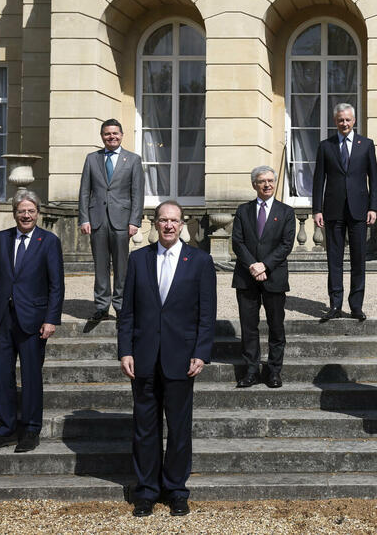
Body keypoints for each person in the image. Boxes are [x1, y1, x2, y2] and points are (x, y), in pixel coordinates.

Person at [118, 200, 216, 518]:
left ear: (182, 223)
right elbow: (127, 311)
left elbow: (206, 313)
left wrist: (201, 352)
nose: (169, 226)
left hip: (181, 358)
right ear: (155, 224)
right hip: (144, 357)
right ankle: (146, 491)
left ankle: (176, 490)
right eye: (163, 220)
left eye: (174, 220)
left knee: (178, 428)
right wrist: (125, 350)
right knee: (145, 428)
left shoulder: (199, 261)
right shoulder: (138, 260)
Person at [0, 190, 64, 453]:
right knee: (2, 376)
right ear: (14, 213)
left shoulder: (48, 241)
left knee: (30, 377)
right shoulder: (0, 240)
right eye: (21, 211)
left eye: (31, 211)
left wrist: (51, 319)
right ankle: (5, 430)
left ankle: (30, 430)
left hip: (34, 321)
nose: (26, 215)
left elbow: (56, 285)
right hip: (2, 320)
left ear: (38, 213)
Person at [313, 103, 377, 322]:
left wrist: (373, 207)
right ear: (335, 121)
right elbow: (318, 180)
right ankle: (335, 305)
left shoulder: (366, 145)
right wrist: (316, 210)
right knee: (334, 259)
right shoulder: (325, 146)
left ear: (354, 121)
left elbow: (374, 179)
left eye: (348, 120)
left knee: (358, 259)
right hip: (332, 211)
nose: (344, 123)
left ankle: (356, 306)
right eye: (341, 120)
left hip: (359, 210)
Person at [231, 166, 296, 388]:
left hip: (274, 277)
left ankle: (274, 371)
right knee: (249, 327)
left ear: (275, 183)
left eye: (270, 180)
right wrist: (252, 265)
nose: (267, 184)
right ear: (254, 185)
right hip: (246, 277)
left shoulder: (286, 212)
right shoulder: (242, 210)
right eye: (262, 181)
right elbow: (237, 242)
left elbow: (286, 244)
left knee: (276, 326)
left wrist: (264, 266)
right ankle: (251, 371)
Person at [78, 118, 144, 322]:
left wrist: (135, 221)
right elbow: (84, 192)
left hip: (122, 221)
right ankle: (101, 306)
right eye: (107, 134)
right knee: (100, 265)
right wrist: (84, 218)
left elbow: (137, 193)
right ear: (102, 136)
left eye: (115, 133)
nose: (111, 137)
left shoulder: (132, 160)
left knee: (122, 265)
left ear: (122, 135)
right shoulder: (91, 159)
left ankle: (121, 305)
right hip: (97, 219)